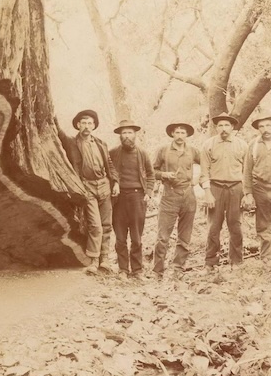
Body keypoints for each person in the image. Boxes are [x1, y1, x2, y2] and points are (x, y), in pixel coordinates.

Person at [63, 109, 120, 274]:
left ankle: (105, 260)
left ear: (94, 125)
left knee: (107, 225)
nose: (87, 126)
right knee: (95, 225)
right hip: (86, 186)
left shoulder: (101, 144)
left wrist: (115, 182)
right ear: (78, 125)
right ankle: (93, 261)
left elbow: (109, 164)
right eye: (84, 123)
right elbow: (58, 133)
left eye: (90, 123)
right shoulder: (72, 142)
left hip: (104, 186)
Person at [151, 123, 202, 280]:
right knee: (162, 237)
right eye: (177, 132)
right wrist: (164, 175)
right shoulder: (163, 150)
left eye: (183, 132)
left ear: (187, 135)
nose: (180, 135)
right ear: (172, 134)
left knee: (184, 237)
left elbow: (207, 165)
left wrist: (197, 178)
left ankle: (178, 268)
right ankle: (157, 271)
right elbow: (152, 171)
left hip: (188, 195)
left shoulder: (193, 151)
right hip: (169, 195)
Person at [200, 113, 249, 275]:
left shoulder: (242, 145)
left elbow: (247, 171)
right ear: (216, 127)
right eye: (220, 125)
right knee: (214, 226)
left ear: (233, 127)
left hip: (236, 188)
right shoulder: (209, 145)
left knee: (235, 225)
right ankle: (210, 262)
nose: (223, 129)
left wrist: (247, 193)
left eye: (227, 125)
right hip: (215, 188)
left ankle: (236, 261)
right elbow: (204, 171)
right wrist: (207, 192)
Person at [109, 120, 155, 280]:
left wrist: (148, 192)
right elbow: (108, 172)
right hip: (118, 198)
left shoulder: (142, 153)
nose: (127, 136)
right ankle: (123, 269)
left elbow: (150, 174)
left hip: (137, 197)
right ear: (120, 136)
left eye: (129, 132)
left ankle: (137, 270)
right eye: (124, 133)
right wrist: (114, 184)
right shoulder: (113, 153)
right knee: (120, 237)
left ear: (135, 135)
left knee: (136, 237)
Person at [242, 115, 271, 270]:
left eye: (268, 125)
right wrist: (248, 193)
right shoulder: (254, 145)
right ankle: (268, 259)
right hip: (260, 188)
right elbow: (247, 170)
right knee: (264, 224)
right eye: (262, 127)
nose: (265, 129)